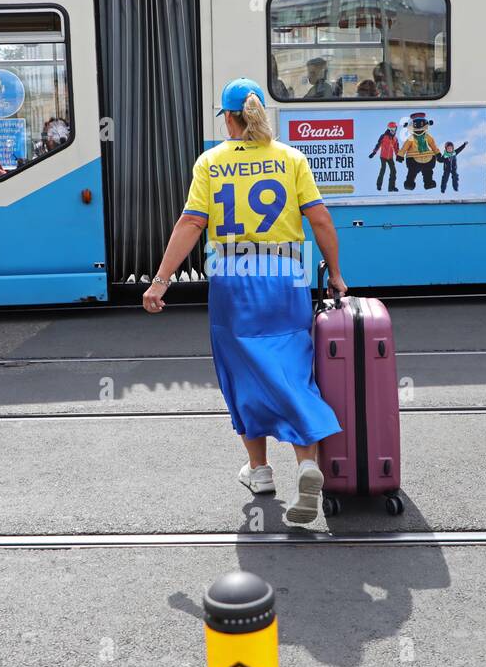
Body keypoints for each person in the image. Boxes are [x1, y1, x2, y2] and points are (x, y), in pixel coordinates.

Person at [142, 78, 347, 526]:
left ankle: (259, 471)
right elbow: (321, 221)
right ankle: (307, 465)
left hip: (233, 283)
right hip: (286, 280)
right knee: (293, 372)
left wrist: (161, 281)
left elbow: (191, 224)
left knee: (241, 376)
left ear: (230, 118)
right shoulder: (292, 158)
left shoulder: (211, 163)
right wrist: (334, 274)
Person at [398, 112, 441, 190]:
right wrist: (400, 155)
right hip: (414, 159)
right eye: (415, 125)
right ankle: (409, 183)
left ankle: (428, 183)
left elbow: (433, 145)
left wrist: (437, 153)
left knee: (428, 172)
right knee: (412, 172)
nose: (419, 129)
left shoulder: (427, 137)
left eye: (421, 124)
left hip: (427, 158)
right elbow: (405, 147)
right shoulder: (411, 138)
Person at [368, 121, 400, 192]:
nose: (393, 130)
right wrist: (374, 153)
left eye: (394, 128)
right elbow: (378, 145)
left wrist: (398, 156)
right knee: (383, 169)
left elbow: (396, 148)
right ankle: (379, 185)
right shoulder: (383, 136)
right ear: (388, 128)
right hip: (383, 156)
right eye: (391, 128)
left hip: (390, 157)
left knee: (393, 171)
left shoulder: (395, 138)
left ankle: (391, 187)